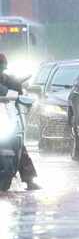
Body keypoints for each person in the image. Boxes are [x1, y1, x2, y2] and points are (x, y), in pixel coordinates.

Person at [0, 53, 40, 190]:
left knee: (18, 144)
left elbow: (20, 98)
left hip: (5, 117)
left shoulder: (11, 81)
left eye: (1, 65)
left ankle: (29, 179)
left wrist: (19, 99)